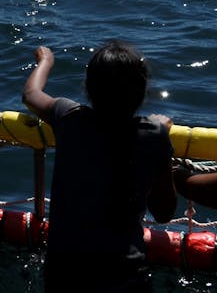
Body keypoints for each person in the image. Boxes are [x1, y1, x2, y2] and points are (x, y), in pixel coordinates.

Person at [22, 41, 176, 293]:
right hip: (124, 277)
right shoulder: (153, 135)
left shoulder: (68, 117)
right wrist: (159, 135)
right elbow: (164, 212)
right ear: (141, 91)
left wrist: (46, 61)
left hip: (64, 275)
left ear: (89, 88)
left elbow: (30, 95)